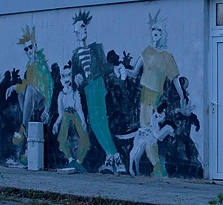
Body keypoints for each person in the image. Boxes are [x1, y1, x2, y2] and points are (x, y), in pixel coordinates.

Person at [120, 10, 186, 177]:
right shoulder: (146, 52)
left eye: (159, 31)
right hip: (144, 96)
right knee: (147, 134)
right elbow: (134, 73)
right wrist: (123, 70)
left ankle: (156, 165)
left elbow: (176, 79)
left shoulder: (167, 57)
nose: (156, 34)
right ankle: (151, 165)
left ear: (164, 34)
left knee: (153, 134)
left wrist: (182, 96)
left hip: (155, 97)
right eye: (154, 31)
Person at [70, 10, 126, 174]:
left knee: (99, 121)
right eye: (81, 27)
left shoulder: (96, 48)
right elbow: (75, 78)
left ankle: (113, 156)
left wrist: (116, 68)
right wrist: (77, 80)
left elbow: (103, 66)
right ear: (75, 31)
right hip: (88, 88)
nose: (84, 29)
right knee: (97, 123)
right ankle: (113, 157)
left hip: (98, 84)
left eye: (85, 26)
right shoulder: (75, 56)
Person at [6, 26, 54, 161]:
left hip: (42, 98)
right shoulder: (29, 65)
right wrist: (14, 87)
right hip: (34, 98)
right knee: (21, 92)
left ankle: (23, 126)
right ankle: (27, 130)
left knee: (30, 89)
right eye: (26, 49)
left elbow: (49, 86)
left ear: (36, 47)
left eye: (31, 47)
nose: (29, 51)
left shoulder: (41, 64)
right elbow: (25, 84)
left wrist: (47, 109)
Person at [52, 61, 89, 171]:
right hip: (66, 117)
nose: (65, 78)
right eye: (63, 76)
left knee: (84, 138)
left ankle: (78, 161)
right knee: (61, 138)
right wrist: (56, 123)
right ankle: (70, 160)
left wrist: (83, 121)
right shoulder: (61, 95)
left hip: (75, 115)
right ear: (60, 79)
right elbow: (61, 113)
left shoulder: (75, 93)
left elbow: (79, 109)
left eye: (68, 75)